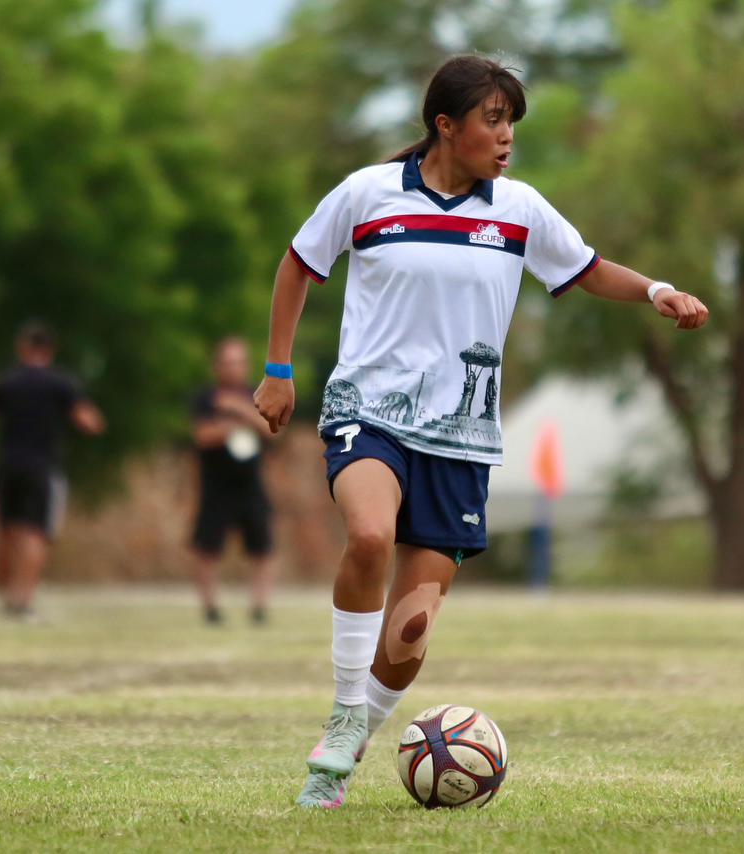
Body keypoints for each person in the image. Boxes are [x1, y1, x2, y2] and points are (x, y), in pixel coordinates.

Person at [253, 55, 709, 809]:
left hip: (461, 440)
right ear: (445, 124)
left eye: (511, 124)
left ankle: (344, 753)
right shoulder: (367, 193)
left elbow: (588, 268)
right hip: (368, 412)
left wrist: (656, 290)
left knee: (410, 630)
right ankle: (341, 718)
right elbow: (298, 266)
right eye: (494, 121)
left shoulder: (519, 210)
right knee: (368, 537)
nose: (506, 138)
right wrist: (277, 369)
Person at [0, 322, 105, 620]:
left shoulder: (8, 382)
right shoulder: (61, 383)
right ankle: (23, 600)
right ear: (50, 351)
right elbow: (88, 423)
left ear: (22, 349)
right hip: (42, 466)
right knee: (36, 533)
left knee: (8, 531)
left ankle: (6, 594)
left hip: (8, 466)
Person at [190, 337, 277, 626]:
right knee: (208, 547)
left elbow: (271, 431)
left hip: (250, 482)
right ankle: (211, 607)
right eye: (227, 362)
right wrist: (229, 428)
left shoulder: (257, 394)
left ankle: (260, 607)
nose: (233, 368)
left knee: (261, 547)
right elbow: (202, 436)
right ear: (217, 366)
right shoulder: (206, 398)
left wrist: (240, 411)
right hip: (216, 484)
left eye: (238, 362)